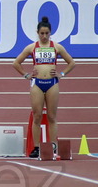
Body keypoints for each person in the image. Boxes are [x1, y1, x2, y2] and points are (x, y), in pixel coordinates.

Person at [12, 16, 76, 158]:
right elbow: (16, 63)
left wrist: (62, 74)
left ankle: (53, 146)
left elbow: (71, 62)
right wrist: (26, 75)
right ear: (37, 33)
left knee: (52, 117)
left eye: (47, 33)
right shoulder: (32, 47)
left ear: (50, 33)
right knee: (37, 116)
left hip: (52, 83)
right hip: (37, 84)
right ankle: (36, 147)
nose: (44, 36)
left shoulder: (56, 47)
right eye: (42, 33)